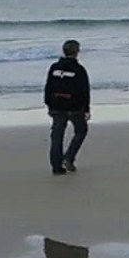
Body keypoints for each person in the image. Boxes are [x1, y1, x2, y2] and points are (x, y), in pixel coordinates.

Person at [44, 39, 91, 175]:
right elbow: (84, 91)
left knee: (57, 136)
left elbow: (48, 87)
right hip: (74, 107)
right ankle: (69, 157)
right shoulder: (79, 69)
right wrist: (86, 109)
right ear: (76, 52)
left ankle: (56, 166)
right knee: (81, 131)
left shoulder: (54, 67)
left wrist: (48, 104)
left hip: (56, 106)